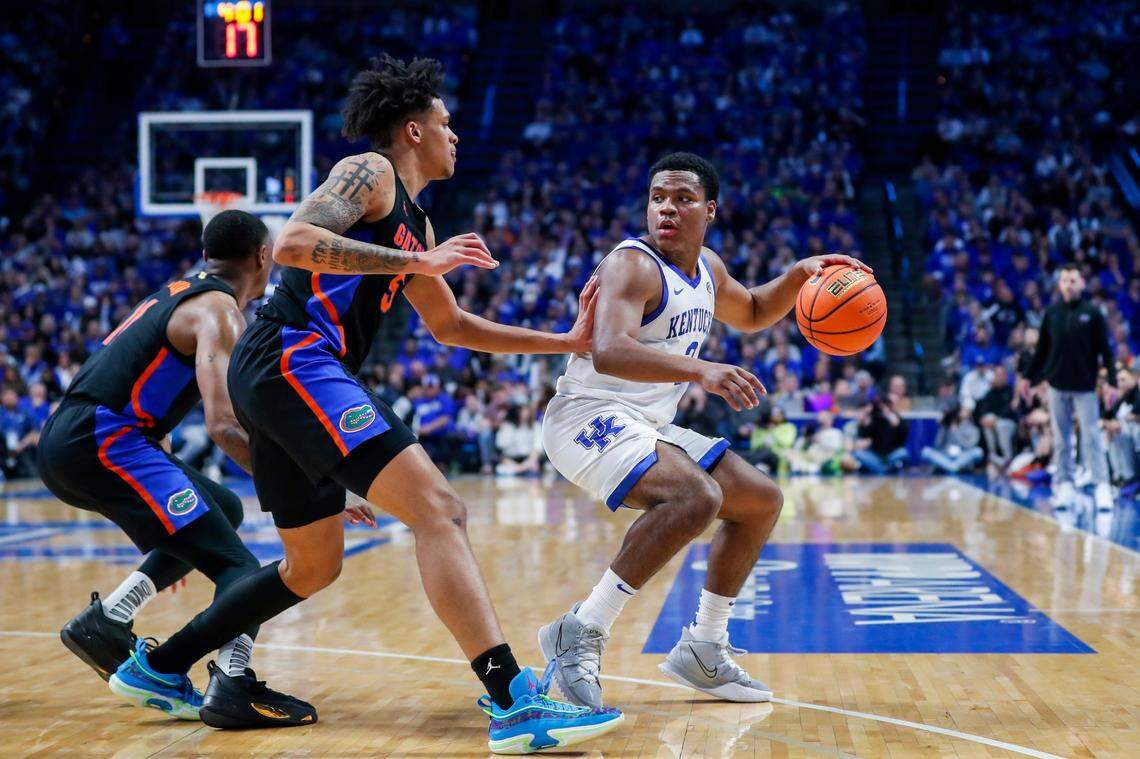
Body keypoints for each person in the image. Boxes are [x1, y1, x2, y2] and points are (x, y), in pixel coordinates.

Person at [118, 56, 621, 753]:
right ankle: (513, 699)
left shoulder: (413, 219)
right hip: (293, 356)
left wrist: (565, 339)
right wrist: (417, 263)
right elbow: (293, 242)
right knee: (439, 508)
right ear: (412, 130)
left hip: (284, 374)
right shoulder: (371, 172)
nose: (456, 136)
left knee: (311, 565)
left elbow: (453, 327)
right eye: (446, 124)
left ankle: (162, 664)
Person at [538, 152, 868, 708]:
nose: (667, 208)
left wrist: (798, 274)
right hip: (586, 417)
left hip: (644, 423)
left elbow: (757, 309)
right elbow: (610, 349)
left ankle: (704, 646)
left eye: (683, 199)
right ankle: (581, 629)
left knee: (760, 499)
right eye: (658, 198)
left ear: (709, 210)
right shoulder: (632, 264)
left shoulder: (708, 268)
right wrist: (701, 369)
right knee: (695, 496)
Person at [37, 210, 321, 725]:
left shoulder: (176, 291)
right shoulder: (220, 311)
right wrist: (304, 489)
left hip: (79, 436)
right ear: (262, 257)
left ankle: (108, 621)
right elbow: (225, 428)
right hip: (104, 442)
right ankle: (228, 682)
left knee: (223, 509)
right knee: (239, 566)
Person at [1023, 264, 1116, 510]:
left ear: (1082, 284)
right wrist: (1026, 378)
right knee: (1062, 439)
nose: (1069, 284)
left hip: (1085, 386)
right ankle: (1064, 485)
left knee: (1091, 437)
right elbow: (1042, 350)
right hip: (1057, 385)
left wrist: (1112, 382)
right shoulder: (1052, 313)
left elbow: (1106, 351)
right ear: (1059, 283)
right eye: (1065, 280)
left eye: (1073, 280)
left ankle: (1102, 486)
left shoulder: (1092, 314)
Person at [852, 395, 910, 473]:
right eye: (880, 407)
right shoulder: (871, 420)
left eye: (884, 407)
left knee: (903, 452)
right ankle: (885, 469)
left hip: (892, 454)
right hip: (875, 455)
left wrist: (897, 425)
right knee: (858, 454)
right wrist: (865, 423)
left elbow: (904, 437)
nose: (882, 410)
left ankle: (881, 469)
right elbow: (864, 440)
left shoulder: (895, 418)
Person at [921, 405, 984, 473]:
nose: (962, 413)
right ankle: (953, 467)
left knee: (978, 451)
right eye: (961, 410)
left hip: (962, 456)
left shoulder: (973, 429)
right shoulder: (947, 425)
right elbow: (937, 445)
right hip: (946, 456)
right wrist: (942, 426)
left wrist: (956, 433)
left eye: (966, 411)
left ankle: (951, 467)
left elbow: (969, 446)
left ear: (970, 413)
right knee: (926, 451)